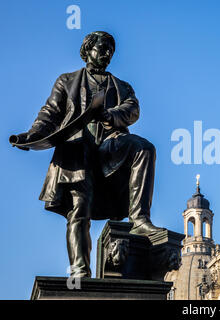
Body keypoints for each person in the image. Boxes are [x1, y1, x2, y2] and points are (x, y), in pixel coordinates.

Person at [12, 31, 164, 278]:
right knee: (79, 209)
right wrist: (30, 136)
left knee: (144, 147)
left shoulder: (122, 86)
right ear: (87, 50)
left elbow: (132, 109)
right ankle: (80, 271)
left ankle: (139, 219)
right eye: (102, 48)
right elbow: (50, 114)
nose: (107, 54)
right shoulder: (67, 81)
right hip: (76, 152)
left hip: (109, 147)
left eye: (111, 51)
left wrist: (110, 115)